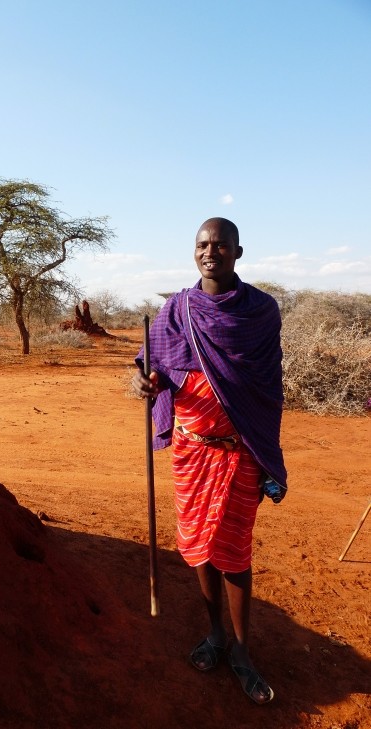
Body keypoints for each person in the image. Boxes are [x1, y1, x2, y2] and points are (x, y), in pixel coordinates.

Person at [132, 217, 287, 705]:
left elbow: (267, 383)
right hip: (192, 450)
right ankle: (215, 633)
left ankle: (241, 649)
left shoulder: (261, 311)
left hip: (240, 452)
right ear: (193, 250)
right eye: (202, 244)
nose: (210, 252)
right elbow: (153, 367)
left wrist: (265, 448)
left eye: (220, 245)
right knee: (200, 545)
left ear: (238, 252)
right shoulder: (177, 310)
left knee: (234, 551)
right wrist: (145, 382)